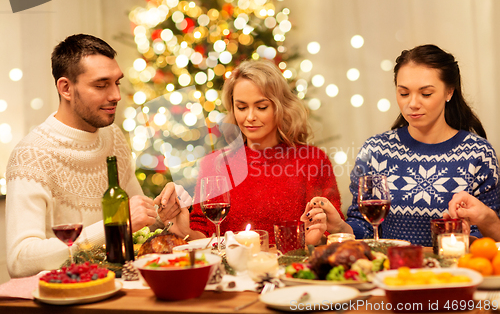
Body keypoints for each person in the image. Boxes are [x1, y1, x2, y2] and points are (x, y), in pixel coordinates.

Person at [5, 34, 180, 278]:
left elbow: (138, 226)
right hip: (64, 300)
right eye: (101, 85)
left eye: (117, 83)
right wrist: (114, 226)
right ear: (66, 88)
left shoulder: (113, 136)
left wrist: (162, 215)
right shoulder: (31, 155)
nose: (116, 95)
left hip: (118, 287)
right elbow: (19, 260)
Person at [318, 44, 500, 246]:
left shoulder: (478, 153)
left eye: (426, 94)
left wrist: (465, 237)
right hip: (389, 275)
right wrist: (340, 228)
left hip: (451, 274)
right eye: (404, 93)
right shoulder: (375, 151)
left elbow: (490, 238)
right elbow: (366, 228)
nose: (412, 103)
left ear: (449, 92)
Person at [163, 59, 346, 245]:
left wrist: (312, 239)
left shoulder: (312, 161)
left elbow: (333, 231)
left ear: (280, 107)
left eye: (261, 107)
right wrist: (183, 230)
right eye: (242, 107)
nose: (250, 117)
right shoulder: (214, 164)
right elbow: (204, 238)